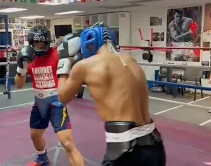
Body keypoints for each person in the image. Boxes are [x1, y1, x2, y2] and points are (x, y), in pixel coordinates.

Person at [56, 22, 166, 166]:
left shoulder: (85, 66)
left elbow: (62, 97)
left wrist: (64, 61)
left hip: (125, 150)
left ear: (89, 43)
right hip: (154, 146)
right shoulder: (131, 61)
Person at [14, 26, 84, 166]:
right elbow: (19, 85)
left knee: (67, 142)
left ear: (47, 42)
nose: (38, 46)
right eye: (35, 43)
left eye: (41, 43)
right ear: (31, 43)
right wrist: (21, 68)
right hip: (39, 102)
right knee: (35, 136)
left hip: (57, 102)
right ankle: (42, 158)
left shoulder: (58, 54)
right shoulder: (28, 57)